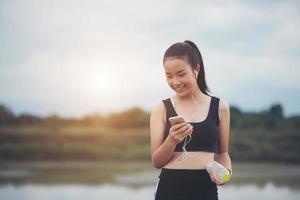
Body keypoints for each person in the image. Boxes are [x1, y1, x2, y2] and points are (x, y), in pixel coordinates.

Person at [150, 40, 232, 200]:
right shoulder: (161, 108)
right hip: (169, 190)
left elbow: (223, 152)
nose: (175, 82)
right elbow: (157, 161)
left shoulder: (220, 107)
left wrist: (227, 172)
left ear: (196, 70)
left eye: (181, 74)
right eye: (169, 76)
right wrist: (171, 140)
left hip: (205, 191)